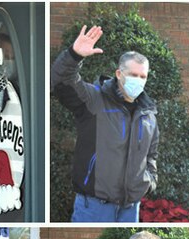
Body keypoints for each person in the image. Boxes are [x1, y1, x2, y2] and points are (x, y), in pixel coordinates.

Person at [51, 25, 158, 222]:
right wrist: (74, 55)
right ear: (119, 74)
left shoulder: (148, 114)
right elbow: (60, 82)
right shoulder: (94, 99)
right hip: (93, 207)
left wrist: (148, 182)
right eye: (133, 75)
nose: (139, 80)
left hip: (130, 208)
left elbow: (151, 155)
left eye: (143, 76)